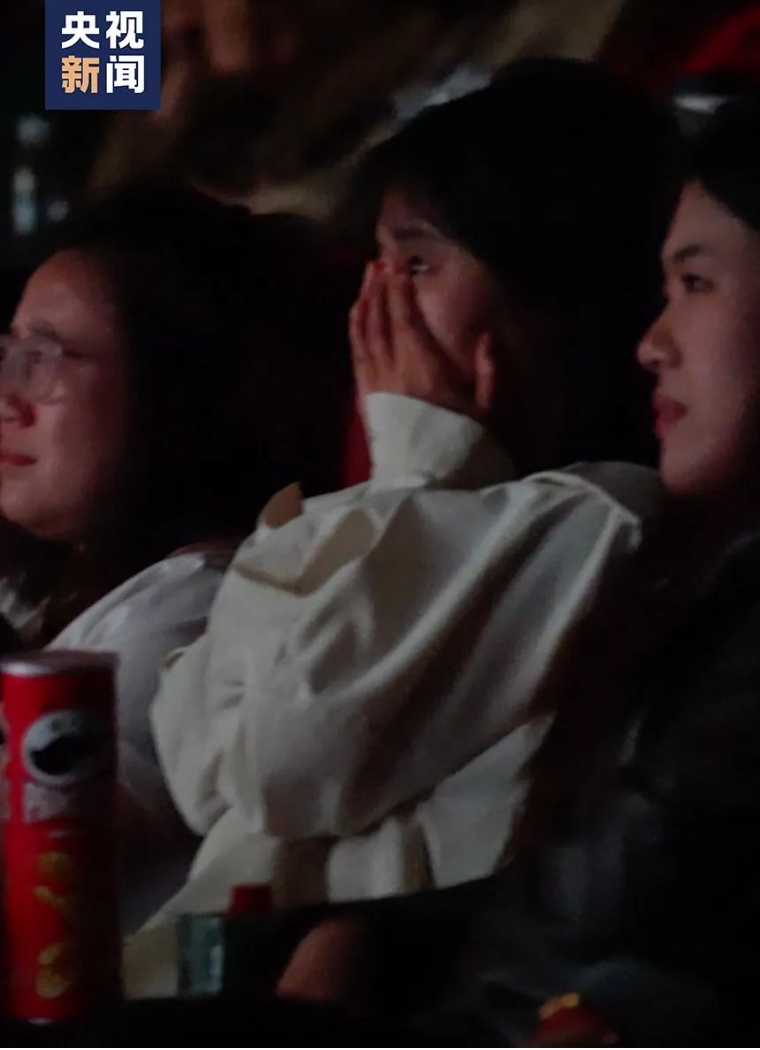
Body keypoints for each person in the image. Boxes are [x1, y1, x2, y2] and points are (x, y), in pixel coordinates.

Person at [138, 58, 683, 953]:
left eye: (418, 262)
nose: (378, 301)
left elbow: (279, 761)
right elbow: (195, 766)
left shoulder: (597, 519)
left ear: (550, 290)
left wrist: (415, 475)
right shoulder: (423, 492)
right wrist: (412, 478)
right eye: (379, 263)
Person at [264, 93, 760, 1047]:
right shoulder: (682, 576)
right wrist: (360, 932)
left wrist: (419, 475)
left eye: (697, 285)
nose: (655, 343)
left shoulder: (620, 547)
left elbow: (292, 753)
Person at [0, 184, 352, 930]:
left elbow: (33, 863)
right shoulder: (53, 583)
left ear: (177, 391)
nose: (8, 398)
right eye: (10, 354)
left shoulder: (198, 613)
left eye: (47, 358)